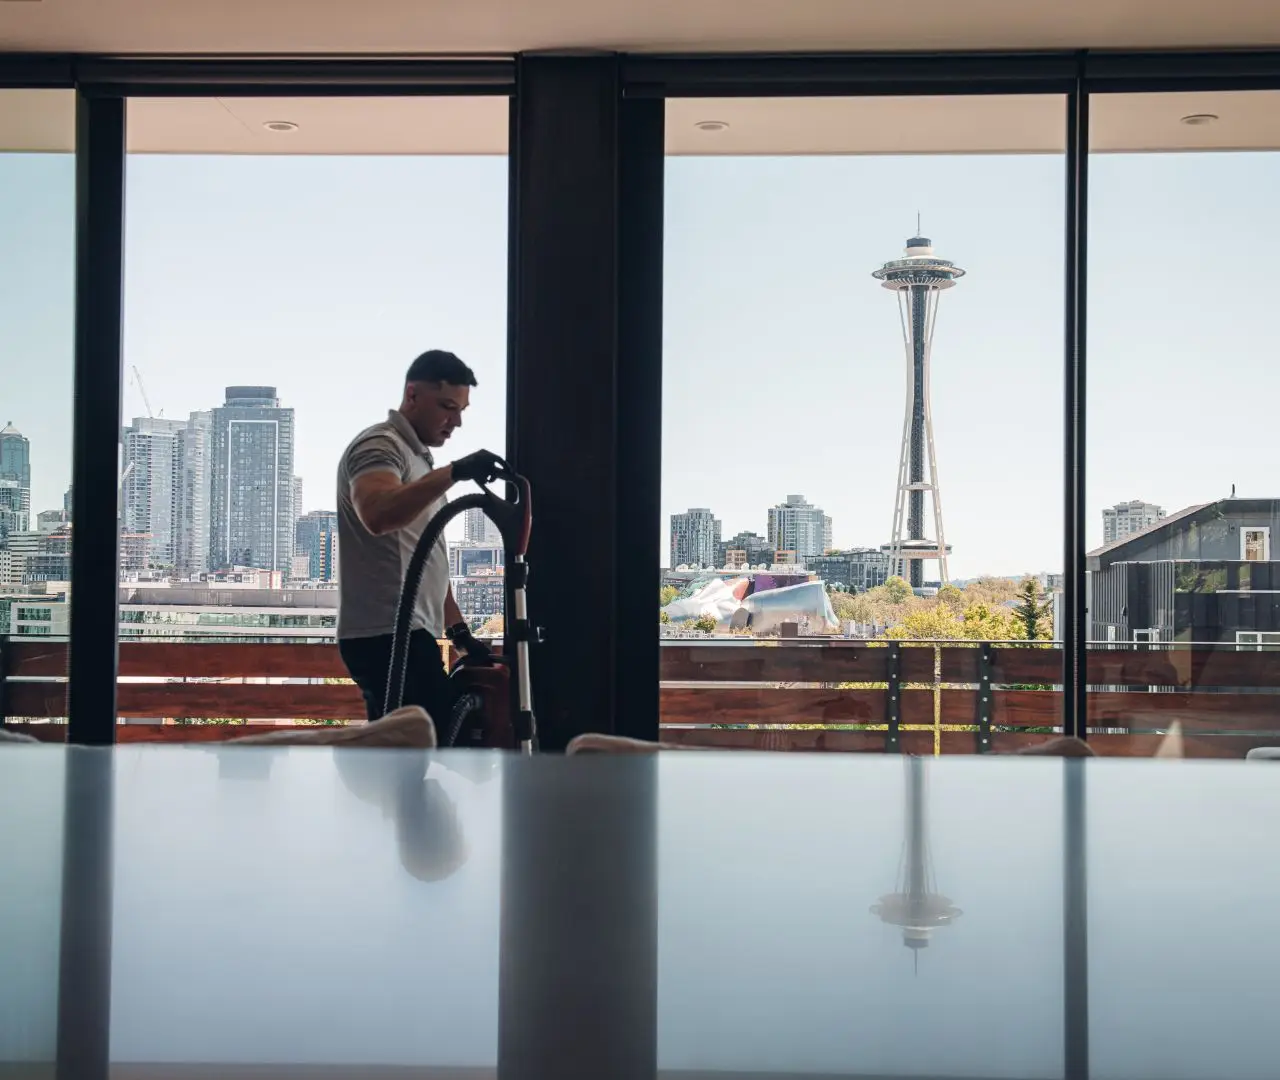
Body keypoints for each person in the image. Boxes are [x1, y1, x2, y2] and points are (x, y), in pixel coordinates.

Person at [336, 349, 502, 727]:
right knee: (427, 753)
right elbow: (377, 513)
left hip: (409, 635)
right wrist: (456, 471)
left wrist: (460, 635)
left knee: (418, 757)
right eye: (447, 406)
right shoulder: (379, 446)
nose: (456, 421)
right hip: (387, 637)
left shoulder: (417, 461)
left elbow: (422, 558)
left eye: (461, 410)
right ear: (412, 395)